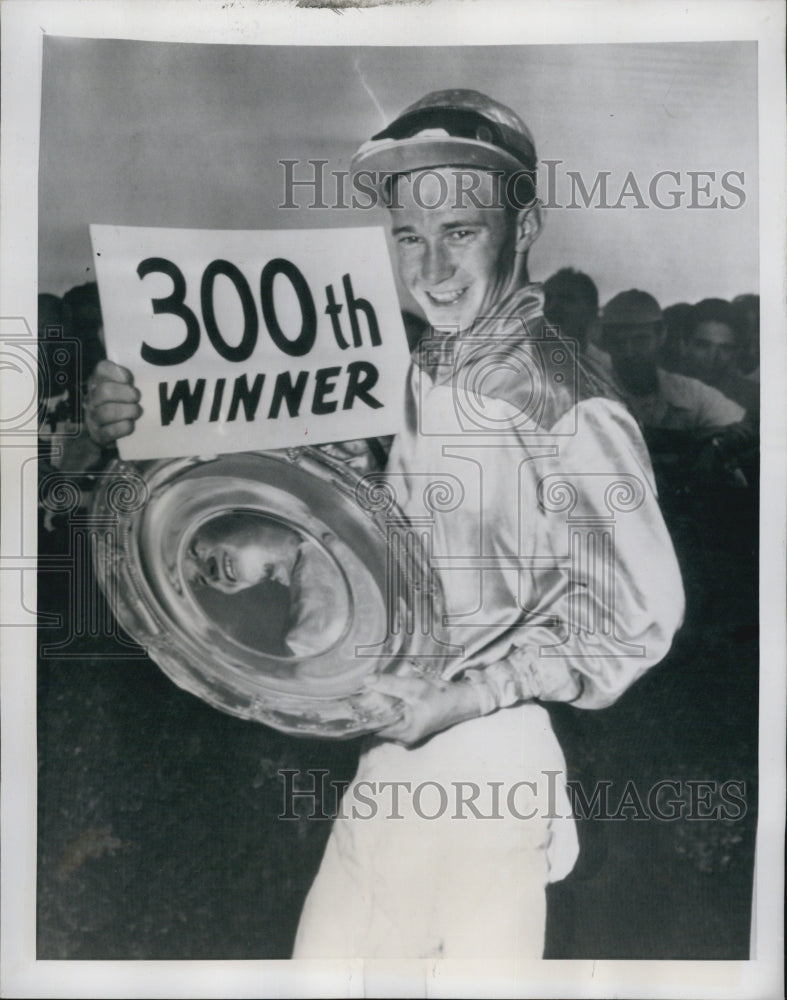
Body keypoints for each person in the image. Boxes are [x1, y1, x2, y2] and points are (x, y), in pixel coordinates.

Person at [84, 89, 684, 959]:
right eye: (408, 236)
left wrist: (466, 697)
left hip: (487, 766)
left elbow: (638, 619)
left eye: (460, 232)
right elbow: (327, 504)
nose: (430, 269)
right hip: (386, 754)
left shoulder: (569, 403)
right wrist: (136, 418)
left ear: (523, 228)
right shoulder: (408, 368)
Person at [184, 511, 349, 658]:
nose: (210, 573)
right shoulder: (308, 635)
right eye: (201, 580)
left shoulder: (326, 519)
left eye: (195, 550)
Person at [600, 289, 746, 432]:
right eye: (618, 342)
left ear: (661, 335)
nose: (629, 351)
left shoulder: (689, 393)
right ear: (605, 342)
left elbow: (745, 428)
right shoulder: (592, 393)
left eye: (641, 340)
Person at [679, 298, 759, 418]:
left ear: (737, 351)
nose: (713, 356)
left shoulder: (756, 399)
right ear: (684, 346)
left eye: (725, 348)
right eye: (703, 345)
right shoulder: (659, 394)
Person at [543, 266, 611, 371]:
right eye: (547, 299)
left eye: (566, 299)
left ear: (591, 313)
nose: (552, 307)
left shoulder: (605, 370)